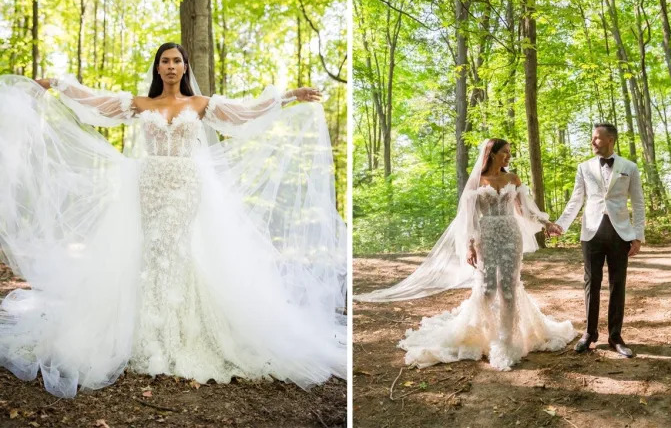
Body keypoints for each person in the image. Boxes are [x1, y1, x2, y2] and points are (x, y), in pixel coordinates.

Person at [0, 43, 347, 398]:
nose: (170, 66)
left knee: (178, 247)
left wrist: (288, 97)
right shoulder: (141, 104)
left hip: (186, 185)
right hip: (148, 185)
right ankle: (146, 331)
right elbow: (93, 102)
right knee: (151, 248)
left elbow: (245, 114)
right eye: (165, 61)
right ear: (157, 68)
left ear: (184, 68)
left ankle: (185, 331)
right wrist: (57, 83)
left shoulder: (199, 105)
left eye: (177, 61)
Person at [356, 139, 577, 371]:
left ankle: (505, 342)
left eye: (509, 153)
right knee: (488, 288)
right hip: (487, 236)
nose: (509, 157)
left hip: (511, 236)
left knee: (510, 287)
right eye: (505, 153)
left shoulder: (513, 179)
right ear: (491, 154)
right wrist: (470, 245)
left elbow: (525, 210)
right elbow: (470, 217)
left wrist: (547, 223)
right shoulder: (476, 182)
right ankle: (485, 334)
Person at [550, 123, 645, 358]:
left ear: (610, 139)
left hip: (619, 232)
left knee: (617, 284)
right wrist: (561, 223)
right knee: (591, 283)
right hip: (591, 231)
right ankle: (590, 334)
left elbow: (639, 203)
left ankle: (615, 337)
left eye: (597, 139)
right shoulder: (584, 167)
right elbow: (576, 200)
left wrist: (638, 236)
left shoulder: (629, 167)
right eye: (592, 138)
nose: (593, 142)